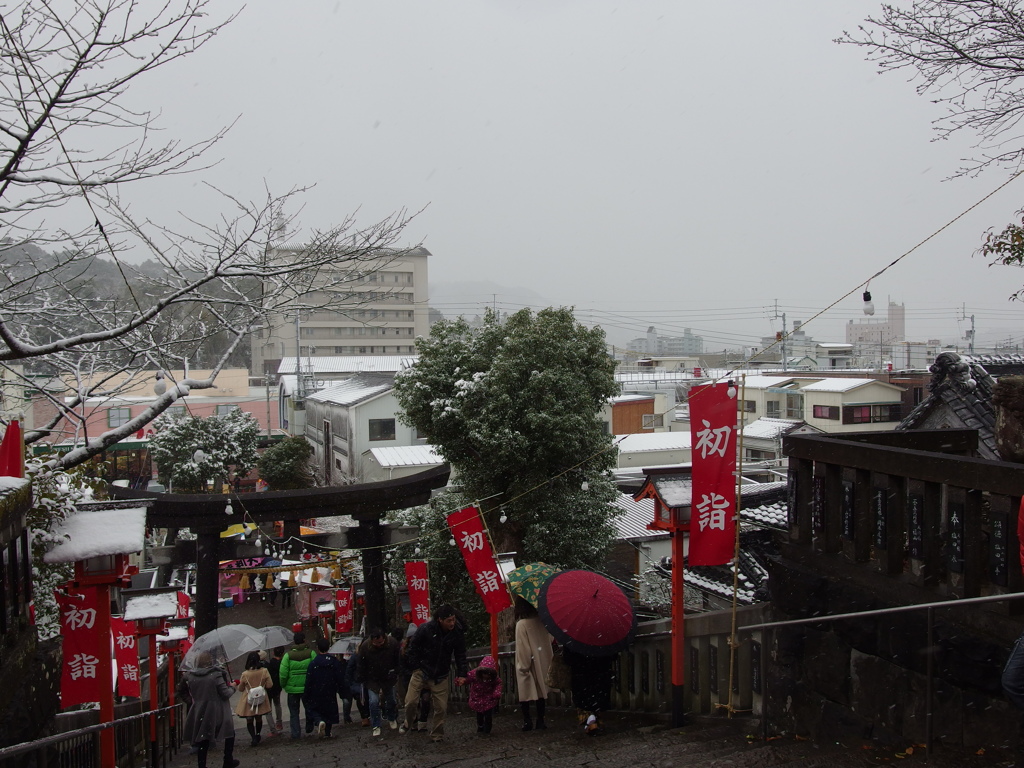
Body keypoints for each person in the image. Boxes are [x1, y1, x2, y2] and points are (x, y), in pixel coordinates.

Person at [400, 604, 468, 743]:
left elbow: (461, 654)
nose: (452, 623)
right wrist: (415, 667)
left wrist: (462, 674)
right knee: (411, 702)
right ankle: (408, 722)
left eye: (453, 619)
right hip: (421, 670)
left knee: (441, 708)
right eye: (449, 620)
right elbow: (412, 649)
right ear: (440, 620)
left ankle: (437, 734)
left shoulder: (457, 632)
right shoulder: (425, 629)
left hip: (441, 674)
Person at [181, 651, 239, 768]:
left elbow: (182, 691)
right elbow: (225, 693)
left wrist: (193, 701)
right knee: (229, 733)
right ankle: (227, 760)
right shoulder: (215, 675)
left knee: (203, 738)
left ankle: (202, 765)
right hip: (217, 710)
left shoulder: (190, 676)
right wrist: (233, 687)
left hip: (200, 710)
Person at [513, 598, 553, 731]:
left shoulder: (522, 624)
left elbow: (523, 647)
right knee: (541, 693)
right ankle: (541, 720)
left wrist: (522, 666)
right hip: (542, 660)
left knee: (526, 692)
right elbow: (550, 639)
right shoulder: (543, 622)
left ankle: (527, 721)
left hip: (529, 663)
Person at [358, 627, 401, 737]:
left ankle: (392, 718)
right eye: (376, 643)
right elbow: (362, 665)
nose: (379, 645)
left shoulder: (392, 643)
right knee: (373, 702)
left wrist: (395, 671)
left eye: (381, 642)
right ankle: (376, 725)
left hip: (388, 676)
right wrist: (362, 677)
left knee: (391, 699)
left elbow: (398, 660)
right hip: (372, 678)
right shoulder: (365, 647)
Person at [563, 647, 615, 735]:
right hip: (601, 671)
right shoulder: (605, 636)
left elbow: (568, 658)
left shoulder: (574, 638)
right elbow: (613, 655)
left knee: (584, 699)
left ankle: (590, 720)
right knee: (598, 697)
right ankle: (597, 719)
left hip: (581, 672)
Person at [304, 638, 345, 738]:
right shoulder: (334, 662)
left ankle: (319, 721)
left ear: (318, 648)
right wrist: (342, 690)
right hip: (330, 689)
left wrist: (307, 693)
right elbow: (340, 677)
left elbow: (309, 679)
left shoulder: (313, 663)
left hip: (316, 690)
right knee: (329, 710)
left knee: (315, 709)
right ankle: (327, 731)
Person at [279, 631, 317, 739]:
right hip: (307, 688)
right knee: (309, 708)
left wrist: (284, 685)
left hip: (292, 689)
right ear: (304, 640)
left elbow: (283, 673)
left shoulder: (288, 656)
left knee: (294, 712)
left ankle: (296, 733)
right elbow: (315, 669)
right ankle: (309, 726)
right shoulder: (311, 653)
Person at [234, 651, 273, 746]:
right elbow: (269, 685)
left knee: (249, 719)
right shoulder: (264, 671)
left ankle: (253, 737)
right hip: (260, 698)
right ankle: (258, 734)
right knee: (259, 717)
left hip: (249, 699)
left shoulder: (245, 674)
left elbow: (241, 689)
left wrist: (237, 684)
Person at [466, 655, 502, 735]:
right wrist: (461, 680)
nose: (486, 676)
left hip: (489, 699)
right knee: (479, 715)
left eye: (488, 674)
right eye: (484, 673)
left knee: (488, 715)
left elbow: (498, 684)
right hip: (477, 698)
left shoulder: (494, 679)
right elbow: (467, 678)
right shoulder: (474, 675)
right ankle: (480, 726)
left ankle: (487, 729)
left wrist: (496, 693)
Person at [343, 649, 370, 726]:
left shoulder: (355, 656)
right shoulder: (356, 656)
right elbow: (349, 670)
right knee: (362, 699)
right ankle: (365, 717)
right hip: (359, 681)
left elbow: (349, 670)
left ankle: (366, 716)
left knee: (363, 699)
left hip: (361, 680)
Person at [265, 647, 285, 735]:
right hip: (277, 687)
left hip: (269, 688)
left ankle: (272, 728)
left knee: (268, 708)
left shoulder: (269, 663)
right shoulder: (282, 663)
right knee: (277, 704)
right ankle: (279, 723)